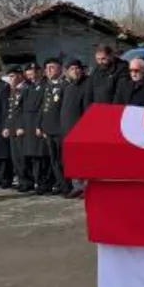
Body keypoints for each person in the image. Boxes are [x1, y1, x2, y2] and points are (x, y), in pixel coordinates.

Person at [61, 59, 90, 199]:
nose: (75, 71)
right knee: (72, 159)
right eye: (71, 69)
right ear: (67, 71)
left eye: (77, 68)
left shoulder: (87, 85)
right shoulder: (67, 87)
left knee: (85, 160)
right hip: (68, 128)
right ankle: (76, 186)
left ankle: (86, 187)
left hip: (82, 127)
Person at [20, 62, 51, 194]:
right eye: (29, 74)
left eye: (34, 73)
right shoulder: (28, 87)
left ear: (39, 72)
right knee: (32, 155)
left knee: (41, 155)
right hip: (28, 124)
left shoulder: (45, 86)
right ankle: (34, 181)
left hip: (38, 123)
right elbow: (21, 107)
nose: (31, 76)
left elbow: (44, 107)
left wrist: (40, 125)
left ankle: (44, 183)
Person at [39, 58, 68, 194]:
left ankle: (67, 185)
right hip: (49, 129)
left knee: (63, 159)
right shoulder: (47, 86)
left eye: (52, 67)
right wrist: (42, 126)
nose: (49, 70)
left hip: (60, 129)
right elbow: (44, 108)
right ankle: (61, 184)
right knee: (54, 160)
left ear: (60, 69)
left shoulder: (65, 85)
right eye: (47, 68)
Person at [4, 66, 32, 192]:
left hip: (20, 129)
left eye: (13, 76)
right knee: (15, 157)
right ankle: (21, 180)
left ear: (20, 76)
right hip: (12, 128)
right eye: (9, 77)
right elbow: (10, 111)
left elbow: (23, 110)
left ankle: (28, 181)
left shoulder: (26, 88)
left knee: (22, 157)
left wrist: (21, 126)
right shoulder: (13, 90)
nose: (10, 79)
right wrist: (7, 127)